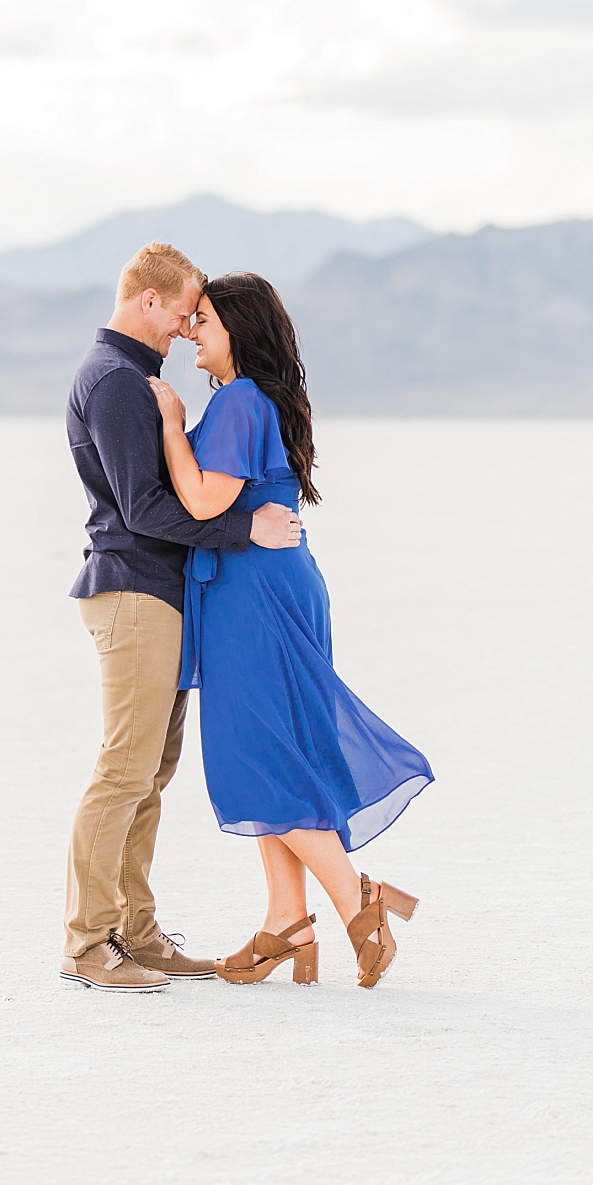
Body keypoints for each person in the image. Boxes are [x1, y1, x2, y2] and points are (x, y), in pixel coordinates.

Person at [149, 272, 434, 989]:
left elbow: (205, 497)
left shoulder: (241, 400)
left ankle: (355, 901)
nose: (191, 333)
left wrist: (167, 426)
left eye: (205, 321)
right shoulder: (246, 400)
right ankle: (285, 921)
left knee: (260, 760)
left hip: (257, 598)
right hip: (267, 587)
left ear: (239, 333)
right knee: (276, 753)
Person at [61, 243, 303, 993]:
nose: (186, 329)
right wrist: (244, 531)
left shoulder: (135, 380)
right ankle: (86, 941)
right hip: (132, 590)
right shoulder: (117, 383)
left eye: (200, 318)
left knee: (150, 774)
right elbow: (143, 509)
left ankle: (135, 933)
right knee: (124, 770)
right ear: (148, 303)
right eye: (182, 313)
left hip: (157, 595)